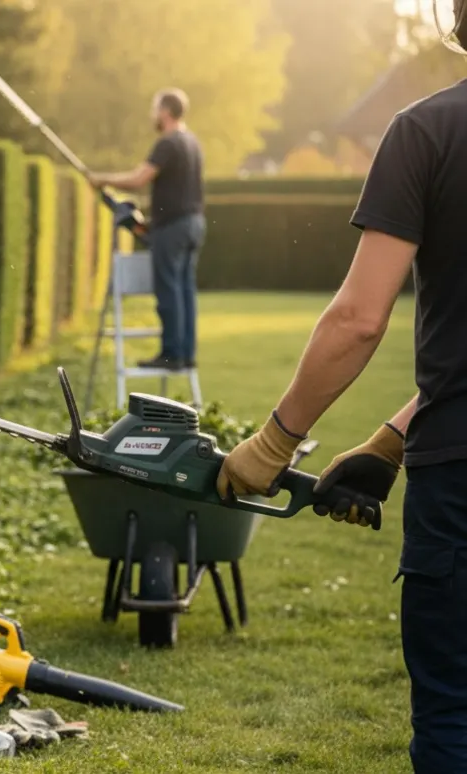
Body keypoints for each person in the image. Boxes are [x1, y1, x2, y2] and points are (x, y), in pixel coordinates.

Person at [218, 4, 467, 770]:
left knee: (455, 716)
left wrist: (275, 441)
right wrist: (395, 433)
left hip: (461, 481)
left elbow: (360, 320)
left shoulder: (427, 132)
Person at [89, 88, 205, 372]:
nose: (153, 114)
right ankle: (185, 353)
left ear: (165, 111)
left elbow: (140, 178)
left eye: (155, 109)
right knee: (184, 289)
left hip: (173, 227)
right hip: (194, 224)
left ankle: (171, 354)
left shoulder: (167, 143)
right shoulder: (192, 142)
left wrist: (102, 179)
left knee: (168, 289)